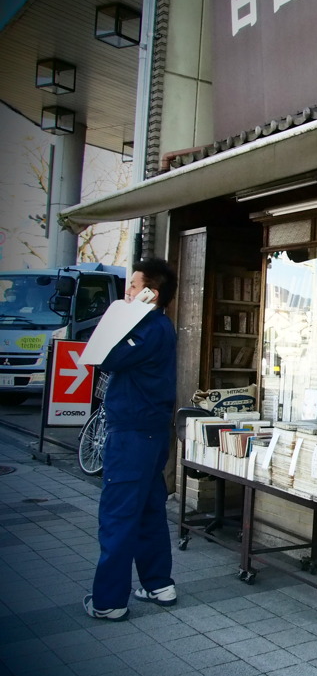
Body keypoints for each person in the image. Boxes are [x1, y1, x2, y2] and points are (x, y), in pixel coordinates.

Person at [84, 258, 178, 621]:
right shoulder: (161, 326)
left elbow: (104, 356)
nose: (127, 293)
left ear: (149, 294)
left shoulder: (145, 328)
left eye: (133, 287)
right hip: (151, 432)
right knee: (150, 508)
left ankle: (108, 601)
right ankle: (158, 584)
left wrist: (121, 317)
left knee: (119, 514)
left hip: (133, 434)